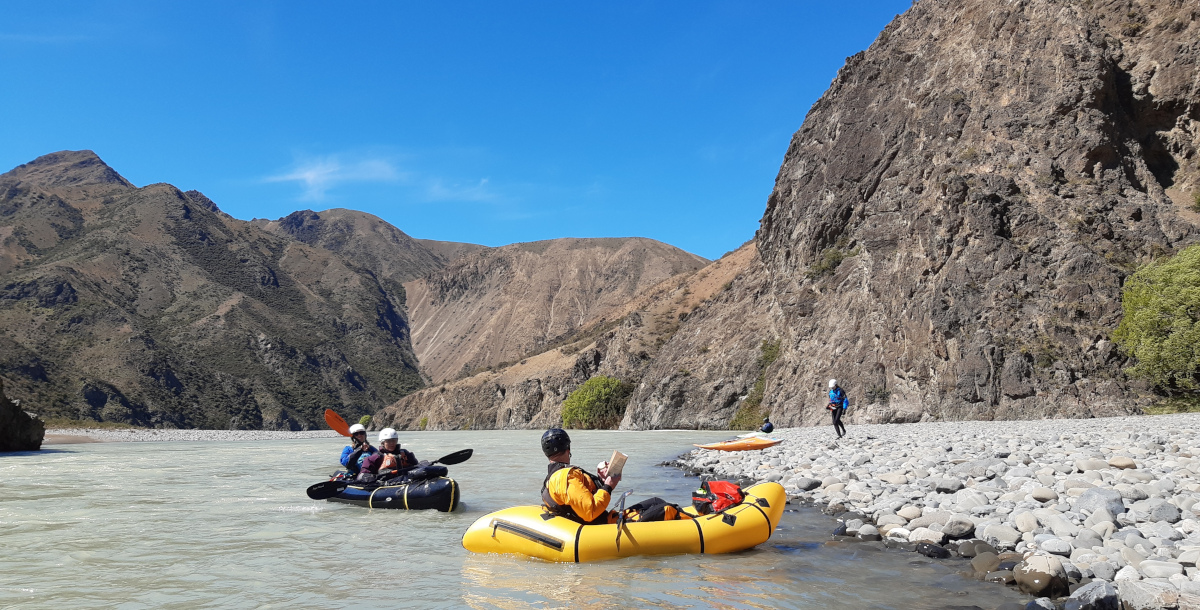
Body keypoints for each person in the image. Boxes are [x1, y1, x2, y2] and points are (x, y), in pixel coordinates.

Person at [540, 428, 689, 524]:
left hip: (604, 519)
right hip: (601, 527)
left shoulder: (555, 476)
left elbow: (580, 497)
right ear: (568, 448)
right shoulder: (566, 476)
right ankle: (700, 525)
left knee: (656, 501)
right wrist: (609, 486)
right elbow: (589, 511)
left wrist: (601, 481)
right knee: (668, 510)